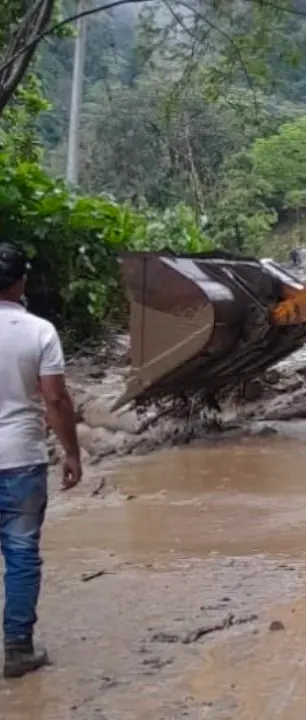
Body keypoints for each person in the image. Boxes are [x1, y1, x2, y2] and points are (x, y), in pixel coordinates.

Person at [0, 243, 81, 679]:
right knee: (21, 554)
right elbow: (55, 398)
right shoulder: (39, 332)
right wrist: (71, 452)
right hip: (20, 459)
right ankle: (16, 649)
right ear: (22, 282)